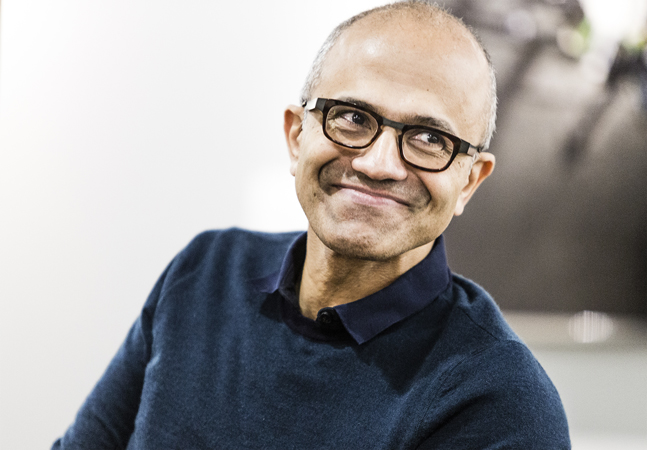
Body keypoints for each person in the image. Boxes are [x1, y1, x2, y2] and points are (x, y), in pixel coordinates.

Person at [53, 1, 570, 449]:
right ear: (297, 136)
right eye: (353, 117)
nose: (378, 164)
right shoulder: (204, 271)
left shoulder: (496, 401)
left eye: (430, 139)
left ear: (470, 182)